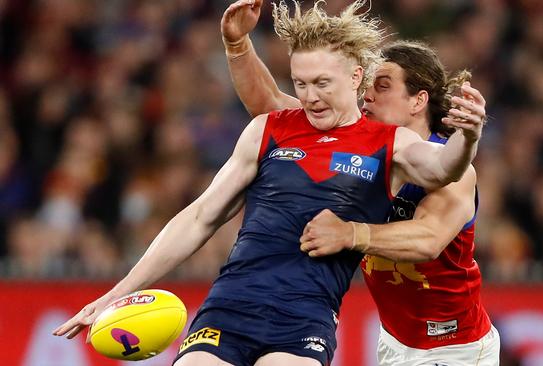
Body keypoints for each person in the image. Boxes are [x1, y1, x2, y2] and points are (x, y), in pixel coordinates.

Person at [53, 1, 484, 366]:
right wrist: (117, 292)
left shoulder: (390, 144)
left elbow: (443, 167)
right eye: (300, 83)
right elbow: (200, 217)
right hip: (227, 307)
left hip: (304, 319)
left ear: (355, 79)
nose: (311, 96)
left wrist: (468, 135)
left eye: (322, 84)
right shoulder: (270, 129)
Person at [221, 0, 499, 365]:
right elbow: (270, 103)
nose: (367, 95)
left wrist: (352, 233)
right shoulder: (357, 143)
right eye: (367, 83)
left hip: (453, 347)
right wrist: (239, 44)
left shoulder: (446, 167)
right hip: (394, 340)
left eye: (382, 86)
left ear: (418, 100)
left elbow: (429, 240)